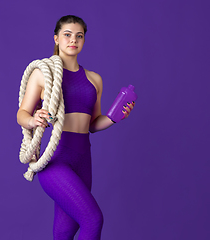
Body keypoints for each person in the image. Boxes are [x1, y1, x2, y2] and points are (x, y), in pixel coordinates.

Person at [17, 15, 135, 240]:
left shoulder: (94, 79)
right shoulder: (43, 74)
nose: (73, 40)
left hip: (83, 160)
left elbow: (92, 123)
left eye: (79, 36)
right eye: (67, 35)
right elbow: (21, 114)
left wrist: (114, 118)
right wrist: (33, 120)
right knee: (93, 220)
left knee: (65, 231)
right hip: (56, 159)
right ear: (56, 38)